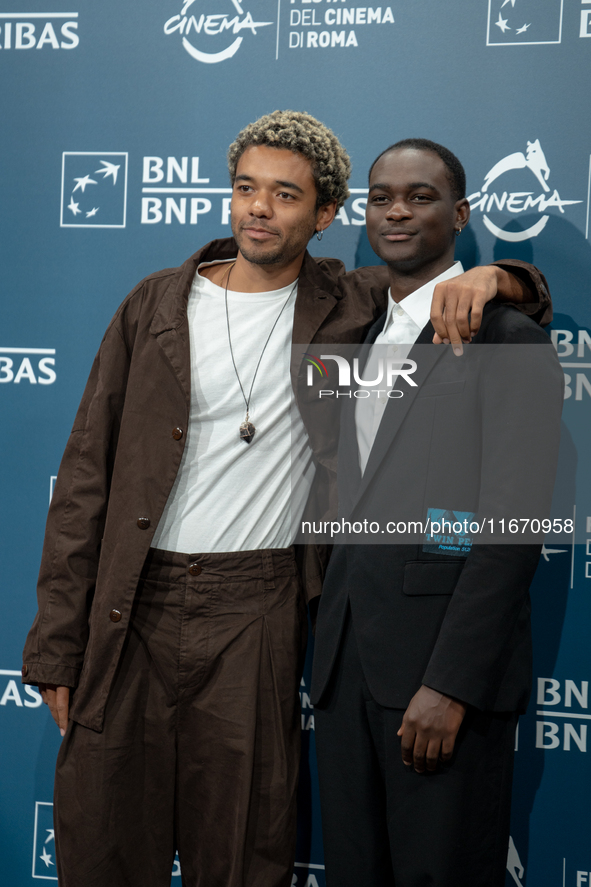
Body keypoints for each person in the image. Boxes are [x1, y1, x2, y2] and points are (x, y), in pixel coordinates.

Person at [22, 114, 552, 887]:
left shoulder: (345, 299)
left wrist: (499, 275)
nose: (258, 209)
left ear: (326, 215)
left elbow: (453, 290)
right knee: (104, 840)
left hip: (260, 606)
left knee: (240, 850)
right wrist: (56, 642)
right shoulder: (153, 304)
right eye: (245, 189)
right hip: (130, 603)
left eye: (284, 195)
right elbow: (82, 483)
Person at [310, 139, 564, 887]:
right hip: (344, 671)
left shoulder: (507, 337)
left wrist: (450, 684)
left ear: (458, 215)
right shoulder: (352, 331)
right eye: (380, 195)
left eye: (418, 196)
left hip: (439, 682)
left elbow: (510, 532)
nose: (395, 209)